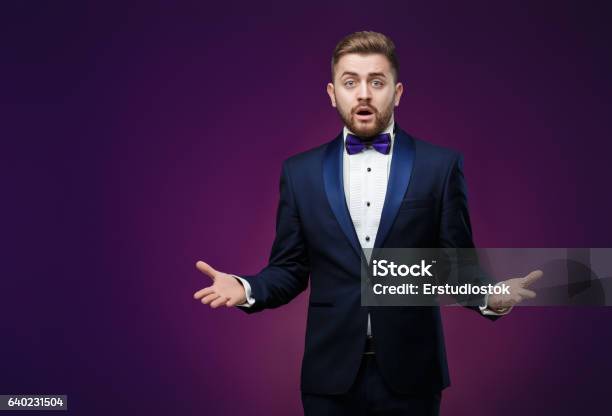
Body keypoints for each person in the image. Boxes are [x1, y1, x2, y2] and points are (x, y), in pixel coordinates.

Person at [193, 31, 542, 416]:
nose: (363, 93)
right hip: (329, 377)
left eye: (377, 82)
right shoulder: (299, 173)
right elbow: (290, 269)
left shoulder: (440, 167)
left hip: (413, 375)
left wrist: (490, 297)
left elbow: (453, 266)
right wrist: (246, 288)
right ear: (331, 93)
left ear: (397, 92)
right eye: (350, 82)